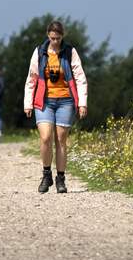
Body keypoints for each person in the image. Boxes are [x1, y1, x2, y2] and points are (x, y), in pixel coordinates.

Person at [24, 20, 89, 193]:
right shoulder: (39, 52)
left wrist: (82, 103)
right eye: (52, 38)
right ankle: (46, 175)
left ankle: (60, 179)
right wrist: (28, 102)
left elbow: (80, 78)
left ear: (62, 36)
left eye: (58, 38)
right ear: (48, 36)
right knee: (45, 137)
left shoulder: (69, 52)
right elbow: (31, 79)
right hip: (44, 101)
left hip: (65, 101)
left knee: (61, 140)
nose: (54, 41)